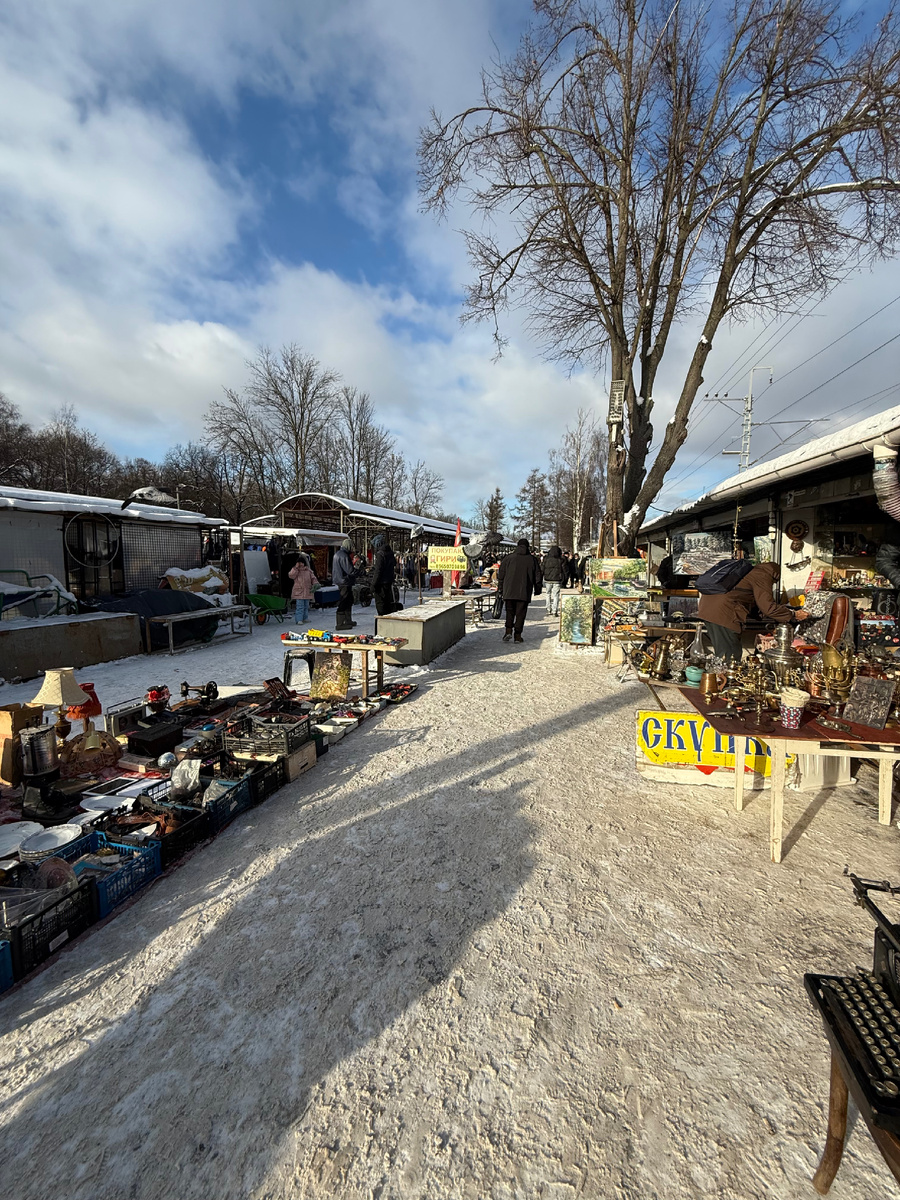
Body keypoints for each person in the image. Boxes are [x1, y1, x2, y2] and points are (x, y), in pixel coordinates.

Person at [698, 560, 810, 662]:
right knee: (730, 655)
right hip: (723, 613)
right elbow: (768, 607)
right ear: (775, 575)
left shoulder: (749, 572)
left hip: (708, 609)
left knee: (722, 652)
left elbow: (751, 601)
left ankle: (718, 679)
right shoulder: (763, 575)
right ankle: (725, 681)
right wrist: (793, 614)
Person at [498, 538, 543, 643]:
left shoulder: (508, 558)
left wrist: (500, 588)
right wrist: (537, 589)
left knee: (509, 612)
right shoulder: (532, 560)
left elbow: (501, 574)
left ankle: (508, 631)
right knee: (520, 614)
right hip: (524, 590)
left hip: (509, 590)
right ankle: (517, 636)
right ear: (527, 547)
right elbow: (538, 576)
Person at [332, 538, 358, 631]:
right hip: (344, 582)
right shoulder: (344, 556)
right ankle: (340, 624)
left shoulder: (339, 554)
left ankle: (348, 620)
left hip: (341, 581)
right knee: (344, 601)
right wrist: (359, 571)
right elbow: (350, 570)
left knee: (349, 600)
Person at [371, 534, 401, 616]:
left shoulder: (380, 554)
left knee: (381, 605)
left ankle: (382, 622)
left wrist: (373, 584)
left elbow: (378, 571)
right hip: (389, 582)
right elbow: (394, 563)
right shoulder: (390, 552)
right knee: (388, 603)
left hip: (381, 584)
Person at [288, 553, 319, 625]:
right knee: (300, 606)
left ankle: (305, 618)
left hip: (308, 591)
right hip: (299, 592)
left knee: (306, 606)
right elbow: (291, 576)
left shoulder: (308, 571)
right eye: (299, 563)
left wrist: (316, 584)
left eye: (301, 562)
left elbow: (313, 578)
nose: (300, 564)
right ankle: (299, 619)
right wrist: (295, 568)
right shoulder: (295, 570)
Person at [541, 545, 564, 617]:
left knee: (548, 594)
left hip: (547, 579)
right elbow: (564, 570)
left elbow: (542, 568)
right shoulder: (560, 560)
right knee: (556, 595)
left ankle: (548, 609)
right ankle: (555, 610)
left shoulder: (546, 559)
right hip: (557, 579)